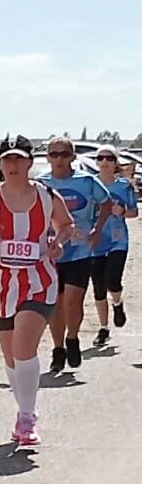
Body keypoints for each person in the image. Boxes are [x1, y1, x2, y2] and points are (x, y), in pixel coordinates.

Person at [0, 137, 72, 446]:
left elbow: (65, 224)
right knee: (12, 357)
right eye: (7, 160)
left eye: (18, 159)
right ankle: (22, 411)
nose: (12, 165)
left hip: (39, 280)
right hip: (1, 285)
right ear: (0, 164)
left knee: (24, 348)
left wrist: (57, 241)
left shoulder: (46, 195)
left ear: (29, 163)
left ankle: (27, 417)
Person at [39, 136, 112, 374]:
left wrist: (97, 229)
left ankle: (72, 337)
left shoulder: (86, 181)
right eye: (53, 154)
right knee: (55, 304)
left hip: (79, 250)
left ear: (72, 157)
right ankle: (58, 349)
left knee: (72, 301)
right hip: (51, 253)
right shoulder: (40, 184)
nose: (58, 159)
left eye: (64, 154)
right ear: (47, 157)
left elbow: (106, 203)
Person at [88, 144, 136, 347]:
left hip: (117, 240)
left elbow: (134, 212)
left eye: (109, 158)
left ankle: (117, 303)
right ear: (97, 163)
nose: (105, 162)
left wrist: (122, 212)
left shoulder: (123, 186)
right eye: (101, 158)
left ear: (116, 163)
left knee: (112, 281)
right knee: (98, 287)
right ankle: (103, 328)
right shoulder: (89, 184)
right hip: (96, 240)